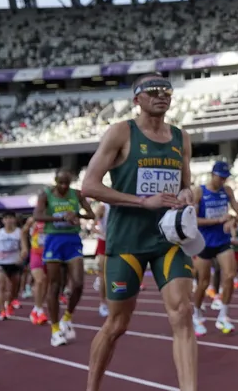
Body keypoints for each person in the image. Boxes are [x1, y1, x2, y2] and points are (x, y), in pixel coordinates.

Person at [81, 73, 196, 391]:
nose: (162, 96)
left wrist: (188, 195)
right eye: (153, 91)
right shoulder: (121, 132)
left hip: (168, 239)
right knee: (117, 324)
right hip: (127, 240)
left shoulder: (181, 138)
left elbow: (187, 185)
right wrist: (142, 201)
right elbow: (89, 186)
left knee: (183, 311)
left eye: (167, 91)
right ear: (137, 100)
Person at [34, 168, 94, 347]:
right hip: (53, 240)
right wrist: (58, 218)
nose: (63, 186)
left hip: (72, 240)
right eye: (60, 182)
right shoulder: (46, 195)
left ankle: (67, 318)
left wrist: (77, 215)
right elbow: (37, 215)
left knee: (78, 283)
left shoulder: (76, 194)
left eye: (66, 182)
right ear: (55, 181)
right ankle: (54, 330)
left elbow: (91, 214)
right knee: (55, 285)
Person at [192, 160, 238, 336]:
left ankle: (223, 315)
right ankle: (196, 314)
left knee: (230, 275)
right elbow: (193, 220)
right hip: (204, 243)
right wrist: (217, 220)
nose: (222, 181)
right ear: (212, 174)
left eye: (225, 178)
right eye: (220, 177)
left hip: (222, 241)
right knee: (203, 283)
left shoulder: (227, 191)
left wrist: (232, 219)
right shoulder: (199, 192)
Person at [0, 212, 28, 321]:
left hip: (15, 263)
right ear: (3, 220)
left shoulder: (19, 232)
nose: (8, 220)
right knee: (1, 287)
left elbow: (24, 248)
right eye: (6, 218)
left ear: (14, 220)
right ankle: (2, 311)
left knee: (14, 289)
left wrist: (22, 256)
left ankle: (9, 303)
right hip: (2, 264)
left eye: (10, 218)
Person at [25, 217, 50, 325]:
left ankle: (36, 308)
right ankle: (40, 310)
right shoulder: (32, 220)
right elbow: (23, 232)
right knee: (40, 280)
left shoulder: (52, 218)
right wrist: (24, 248)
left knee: (46, 284)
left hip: (49, 255)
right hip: (36, 254)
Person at [91, 201, 110, 317]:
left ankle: (114, 301)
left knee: (115, 275)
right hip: (104, 242)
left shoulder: (122, 203)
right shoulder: (103, 206)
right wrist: (103, 233)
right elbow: (93, 227)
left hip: (117, 242)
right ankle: (102, 303)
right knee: (104, 275)